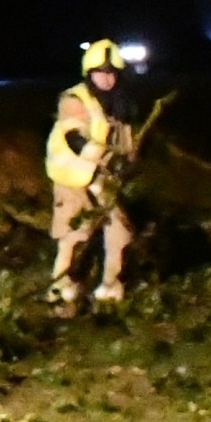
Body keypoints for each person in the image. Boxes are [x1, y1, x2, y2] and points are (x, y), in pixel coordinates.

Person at [48, 37, 137, 307]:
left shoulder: (120, 105)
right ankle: (59, 286)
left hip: (105, 181)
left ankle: (110, 285)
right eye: (101, 73)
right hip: (73, 179)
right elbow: (75, 139)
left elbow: (126, 144)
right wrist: (103, 163)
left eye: (112, 73)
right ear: (90, 74)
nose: (107, 79)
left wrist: (129, 164)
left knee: (118, 231)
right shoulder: (74, 99)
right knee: (73, 233)